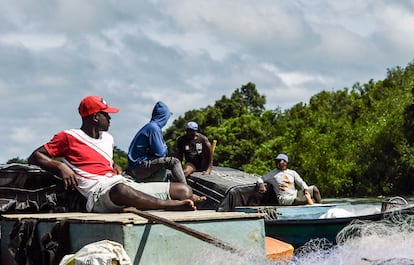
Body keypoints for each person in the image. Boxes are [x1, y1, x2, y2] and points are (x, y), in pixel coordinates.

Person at [28, 95, 200, 213]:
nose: (110, 118)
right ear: (95, 117)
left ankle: (155, 203)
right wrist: (60, 166)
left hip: (122, 182)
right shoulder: (68, 137)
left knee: (184, 190)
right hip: (99, 194)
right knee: (121, 190)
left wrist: (115, 166)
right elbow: (35, 156)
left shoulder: (108, 138)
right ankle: (168, 206)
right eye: (106, 114)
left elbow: (103, 164)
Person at [127, 101, 187, 183]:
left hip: (136, 167)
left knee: (169, 173)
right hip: (140, 166)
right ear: (163, 117)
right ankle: (187, 192)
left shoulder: (150, 127)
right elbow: (161, 153)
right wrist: (164, 148)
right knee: (174, 162)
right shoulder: (153, 128)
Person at [256, 153, 321, 205]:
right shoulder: (272, 174)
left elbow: (301, 182)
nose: (277, 163)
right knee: (303, 200)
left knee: (314, 189)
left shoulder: (292, 172)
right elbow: (260, 179)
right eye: (277, 161)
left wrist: (305, 189)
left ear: (285, 162)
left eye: (280, 161)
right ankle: (310, 204)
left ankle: (320, 207)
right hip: (284, 198)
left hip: (294, 194)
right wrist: (261, 185)